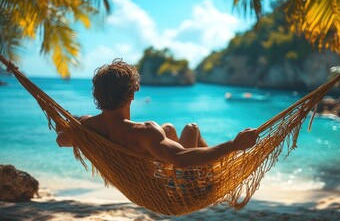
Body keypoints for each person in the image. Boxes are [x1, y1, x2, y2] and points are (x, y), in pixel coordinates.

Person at [56, 59, 258, 168]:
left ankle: (214, 168)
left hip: (139, 185)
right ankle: (215, 172)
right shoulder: (143, 132)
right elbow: (181, 159)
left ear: (97, 95)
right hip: (177, 186)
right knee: (191, 128)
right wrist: (233, 145)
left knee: (168, 129)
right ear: (132, 95)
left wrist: (67, 123)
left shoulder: (85, 127)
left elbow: (62, 140)